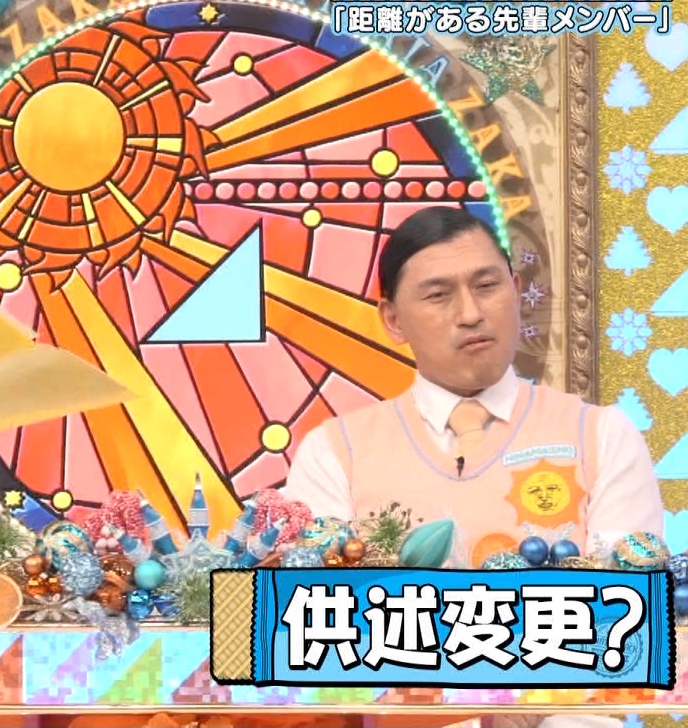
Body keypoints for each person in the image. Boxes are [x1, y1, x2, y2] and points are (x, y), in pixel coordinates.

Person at [282, 206, 665, 728]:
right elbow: (314, 648)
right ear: (393, 320)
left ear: (516, 290)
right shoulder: (333, 453)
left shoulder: (601, 436)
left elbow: (626, 637)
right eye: (438, 295)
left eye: (487, 286)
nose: (470, 313)